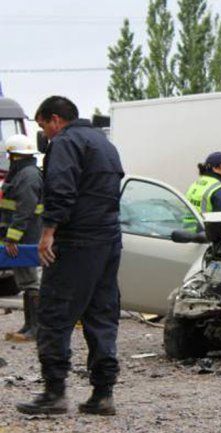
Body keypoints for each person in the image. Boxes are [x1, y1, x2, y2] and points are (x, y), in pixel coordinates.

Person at [17, 96, 124, 416]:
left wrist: (48, 232)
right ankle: (103, 395)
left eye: (43, 127)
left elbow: (61, 189)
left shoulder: (65, 143)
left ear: (54, 119)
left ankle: (54, 394)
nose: (45, 135)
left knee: (53, 315)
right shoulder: (105, 144)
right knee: (101, 315)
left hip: (77, 241)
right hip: (108, 240)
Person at [1, 134, 43, 343]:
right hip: (22, 235)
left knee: (29, 281)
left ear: (15, 156)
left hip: (26, 236)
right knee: (25, 279)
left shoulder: (28, 176)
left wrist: (12, 238)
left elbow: (24, 210)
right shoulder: (23, 174)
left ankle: (35, 328)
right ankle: (29, 326)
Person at [183, 151, 221, 230]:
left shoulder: (196, 183)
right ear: (215, 168)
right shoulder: (220, 189)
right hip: (204, 238)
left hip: (187, 234)